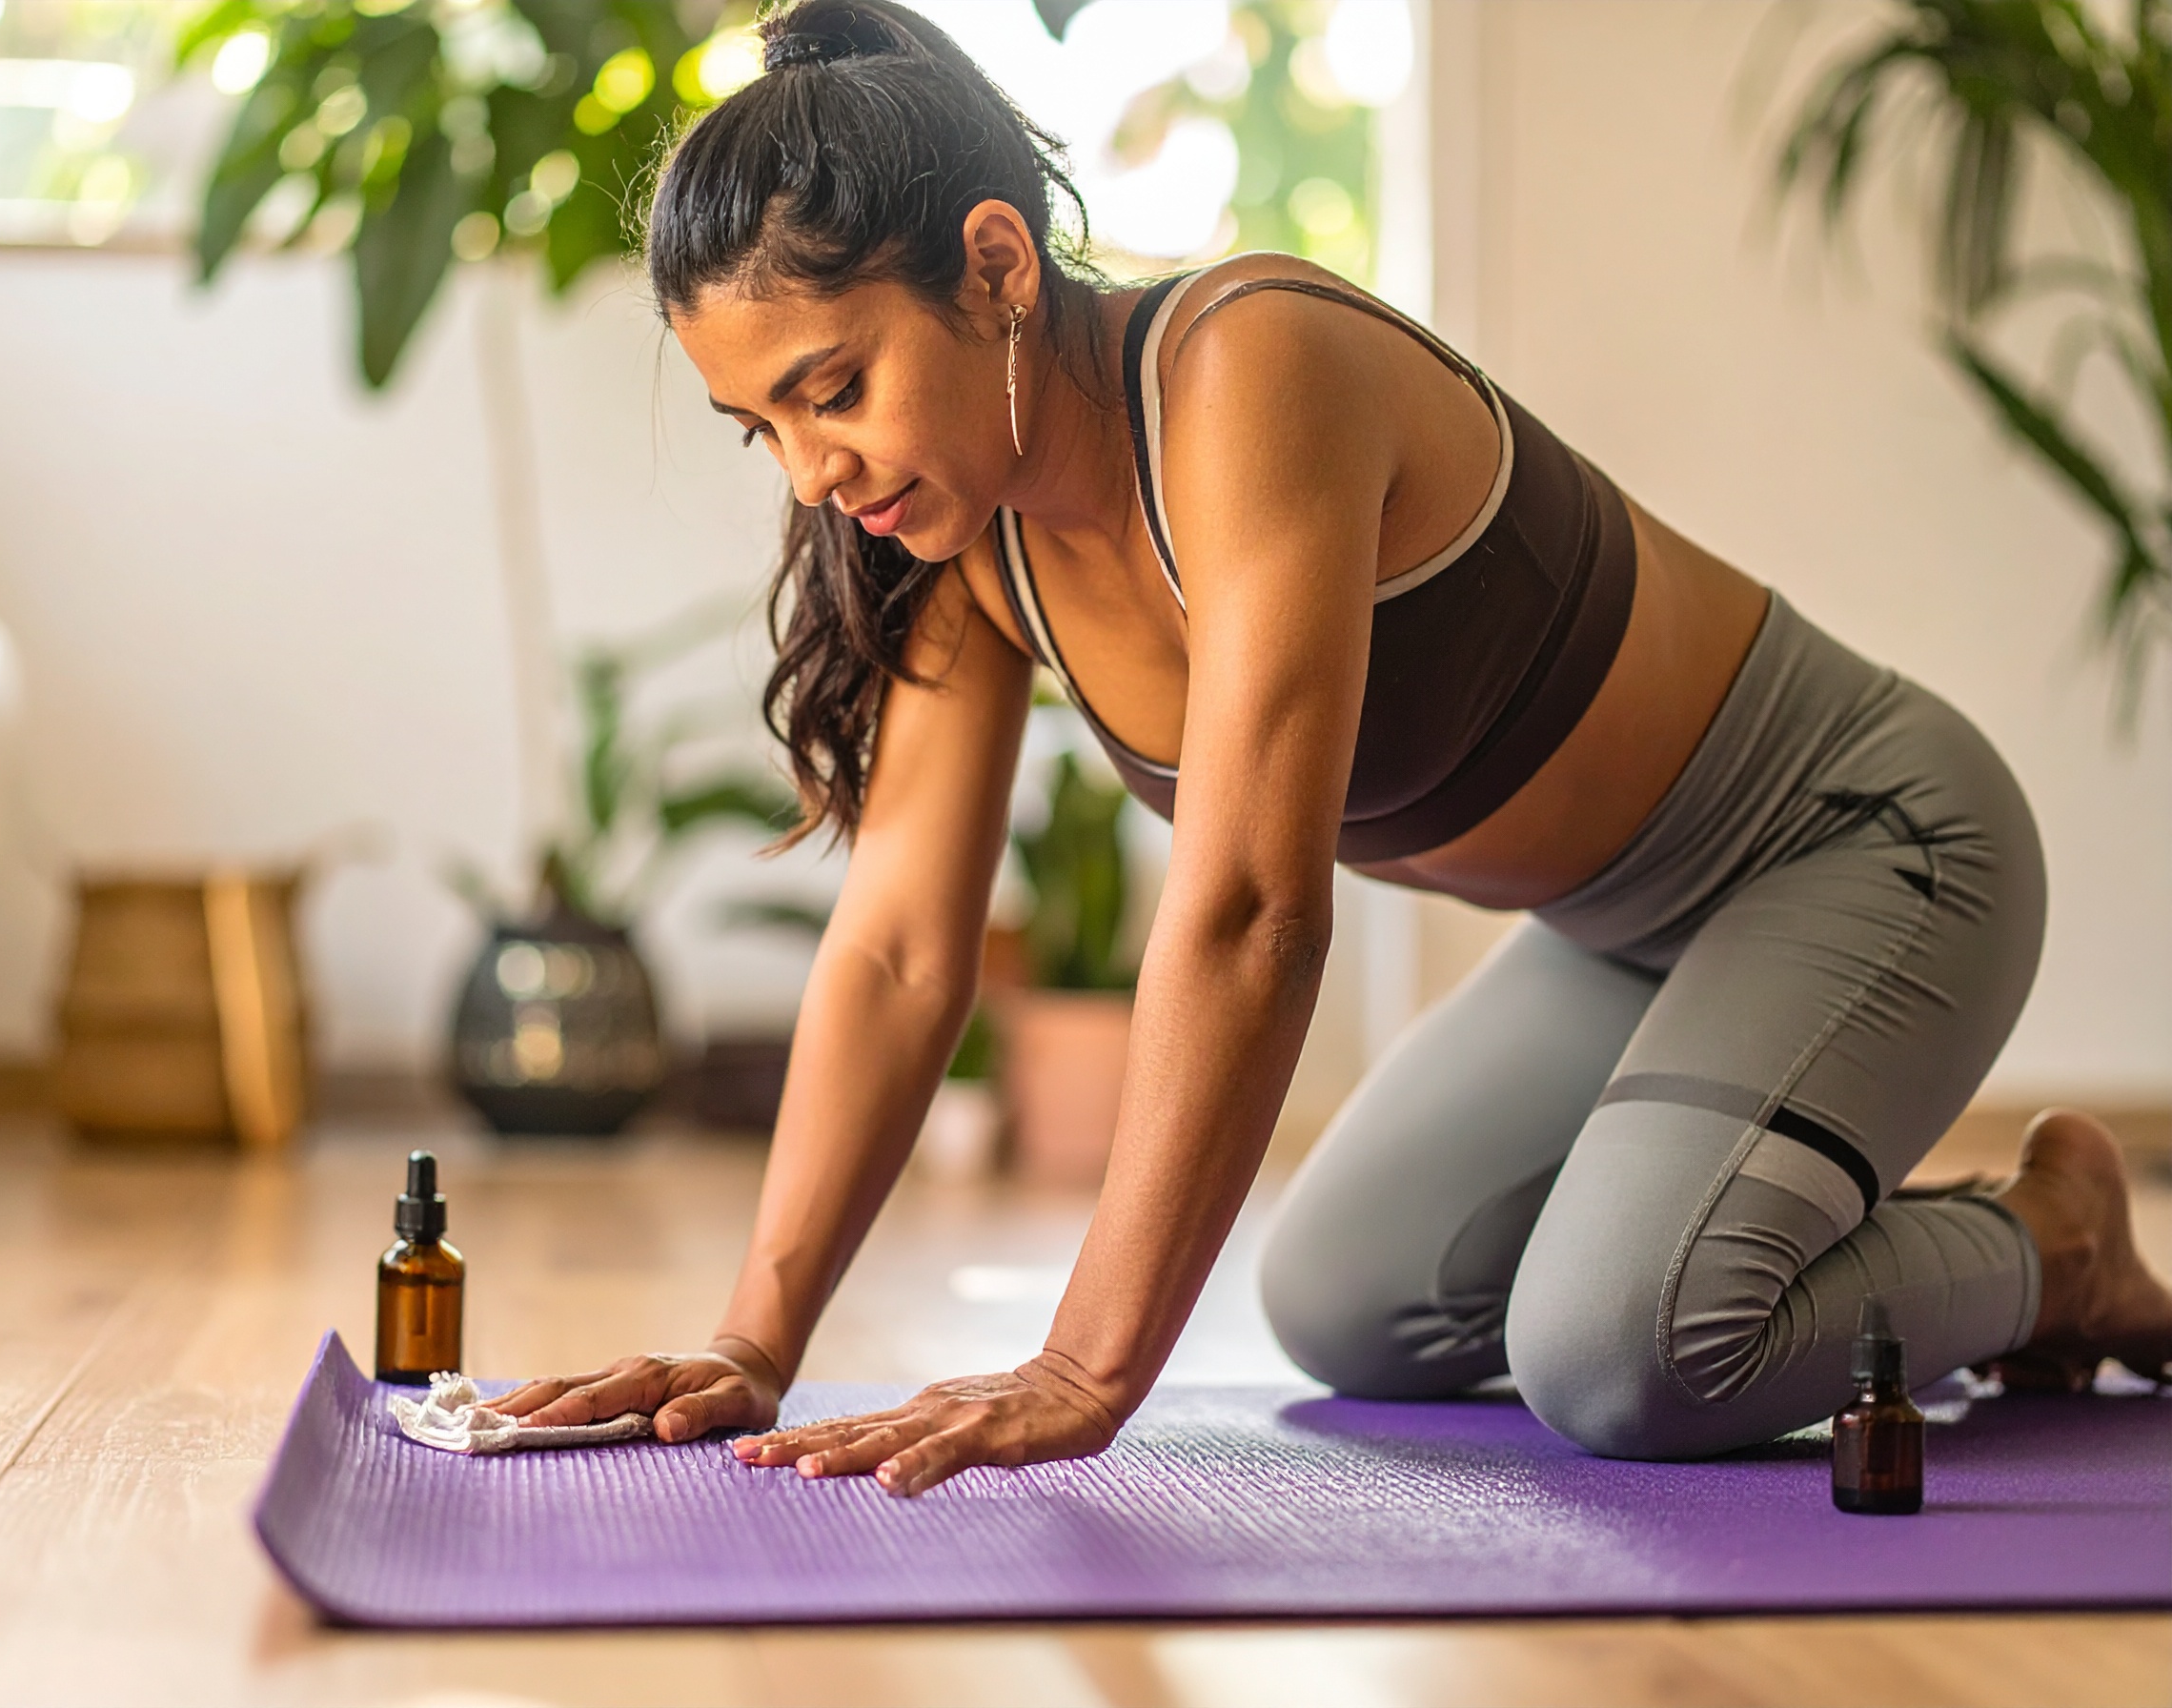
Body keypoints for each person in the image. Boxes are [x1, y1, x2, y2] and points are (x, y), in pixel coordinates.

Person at [490, 0, 2172, 1489]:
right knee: (1351, 1299)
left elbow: (1250, 911)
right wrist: (754, 1342)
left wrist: (1085, 1367)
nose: (811, 474)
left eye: (834, 389)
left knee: (1624, 1356)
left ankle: (2053, 1240)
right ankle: (1799, 1215)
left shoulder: (1248, 368)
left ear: (996, 269)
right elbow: (900, 950)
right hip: (1621, 933)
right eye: (761, 427)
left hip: (1867, 841)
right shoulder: (959, 538)